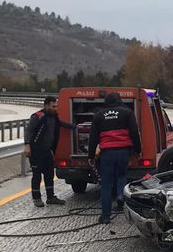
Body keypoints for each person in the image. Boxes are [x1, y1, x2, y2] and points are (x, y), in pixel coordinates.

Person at [88, 92, 142, 224]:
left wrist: (91, 156)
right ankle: (120, 196)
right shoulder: (127, 113)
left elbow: (93, 138)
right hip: (123, 152)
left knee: (106, 183)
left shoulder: (99, 115)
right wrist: (138, 150)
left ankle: (106, 216)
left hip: (107, 153)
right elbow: (134, 133)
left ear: (105, 102)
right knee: (122, 175)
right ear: (119, 101)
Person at [24, 96, 75, 207]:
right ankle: (37, 198)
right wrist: (27, 145)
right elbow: (29, 131)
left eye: (56, 106)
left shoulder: (53, 117)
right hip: (36, 151)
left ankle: (50, 197)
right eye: (53, 106)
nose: (55, 108)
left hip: (47, 151)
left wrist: (73, 126)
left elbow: (60, 123)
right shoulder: (38, 116)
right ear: (46, 105)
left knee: (49, 174)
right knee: (37, 175)